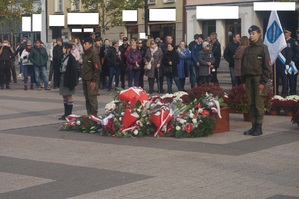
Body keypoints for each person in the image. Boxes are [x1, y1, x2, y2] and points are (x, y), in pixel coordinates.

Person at [241, 25, 271, 136]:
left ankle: (259, 126)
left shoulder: (263, 48)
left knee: (258, 104)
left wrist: (263, 82)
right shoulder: (247, 49)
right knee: (251, 103)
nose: (251, 36)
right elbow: (243, 64)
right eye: (250, 34)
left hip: (258, 79)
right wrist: (243, 80)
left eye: (253, 33)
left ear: (259, 34)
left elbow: (267, 67)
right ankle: (253, 126)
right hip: (248, 79)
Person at [58, 43, 78, 120]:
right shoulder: (62, 57)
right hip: (62, 77)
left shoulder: (71, 58)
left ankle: (69, 113)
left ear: (68, 49)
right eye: (63, 48)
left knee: (69, 95)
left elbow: (73, 71)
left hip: (69, 78)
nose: (63, 49)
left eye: (64, 48)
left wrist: (73, 82)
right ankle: (66, 113)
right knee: (64, 95)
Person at [82, 37, 101, 116]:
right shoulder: (85, 55)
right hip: (85, 80)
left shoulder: (93, 55)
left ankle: (94, 117)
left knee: (92, 99)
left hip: (91, 81)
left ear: (90, 44)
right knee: (87, 99)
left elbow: (97, 68)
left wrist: (94, 81)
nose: (84, 45)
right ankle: (89, 116)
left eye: (85, 44)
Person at [284, 30, 297, 95]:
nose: (285, 34)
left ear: (289, 33)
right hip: (285, 62)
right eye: (284, 33)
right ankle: (285, 92)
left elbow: (296, 52)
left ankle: (292, 92)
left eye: (286, 33)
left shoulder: (293, 41)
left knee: (292, 79)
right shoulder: (283, 41)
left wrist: (293, 61)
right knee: (285, 78)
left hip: (292, 63)